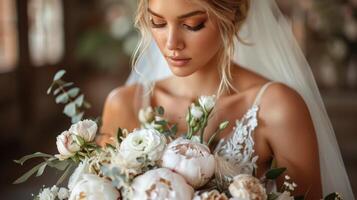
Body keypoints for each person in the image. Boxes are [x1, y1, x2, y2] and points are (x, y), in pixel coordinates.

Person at [98, 0, 355, 199]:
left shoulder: (277, 107)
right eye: (158, 23)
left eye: (192, 24)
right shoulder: (124, 104)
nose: (171, 43)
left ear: (230, 16)